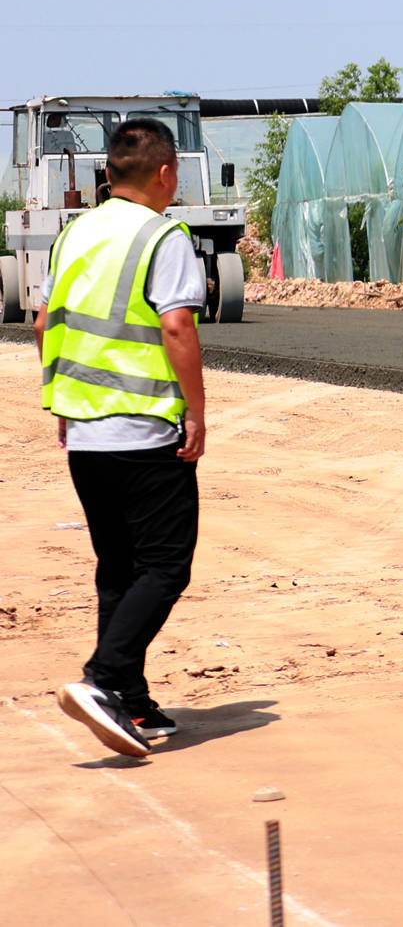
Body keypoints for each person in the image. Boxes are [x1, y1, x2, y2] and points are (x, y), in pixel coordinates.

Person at [37, 118, 207, 758]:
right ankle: (104, 681)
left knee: (118, 569)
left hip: (84, 432)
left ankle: (131, 702)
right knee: (165, 566)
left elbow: (46, 323)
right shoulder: (163, 236)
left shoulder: (73, 233)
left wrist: (62, 398)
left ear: (108, 173)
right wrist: (195, 413)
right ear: (165, 173)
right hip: (145, 432)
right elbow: (177, 329)